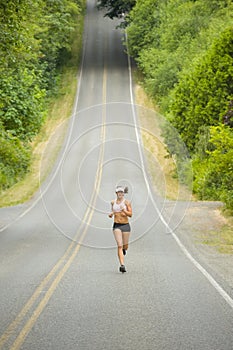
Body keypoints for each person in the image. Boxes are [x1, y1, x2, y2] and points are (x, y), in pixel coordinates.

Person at [108, 186, 132, 273]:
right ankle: (122, 265)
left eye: (122, 193)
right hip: (116, 225)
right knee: (119, 245)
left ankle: (124, 250)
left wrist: (124, 211)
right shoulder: (112, 202)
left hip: (125, 225)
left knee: (125, 246)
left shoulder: (127, 203)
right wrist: (111, 214)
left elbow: (130, 214)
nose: (120, 194)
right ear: (116, 193)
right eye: (119, 192)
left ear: (123, 194)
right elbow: (114, 211)